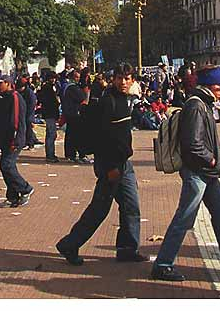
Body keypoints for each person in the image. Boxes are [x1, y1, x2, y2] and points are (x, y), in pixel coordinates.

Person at [150, 65, 220, 282]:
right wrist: (210, 158)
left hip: (206, 172)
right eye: (219, 86)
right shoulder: (196, 106)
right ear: (209, 86)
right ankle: (162, 264)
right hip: (198, 171)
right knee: (185, 217)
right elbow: (192, 142)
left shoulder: (202, 104)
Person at [57, 65, 146, 265]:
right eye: (120, 78)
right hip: (111, 165)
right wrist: (111, 167)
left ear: (132, 80)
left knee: (131, 206)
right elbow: (103, 137)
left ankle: (127, 249)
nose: (123, 82)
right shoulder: (108, 102)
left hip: (124, 164)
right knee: (99, 209)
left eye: (127, 78)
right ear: (113, 79)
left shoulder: (125, 100)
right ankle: (70, 244)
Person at [0, 72, 32, 207]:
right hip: (4, 136)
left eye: (0, 84)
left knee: (6, 165)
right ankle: (12, 196)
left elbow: (16, 121)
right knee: (6, 166)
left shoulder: (15, 97)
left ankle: (25, 188)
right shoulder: (1, 97)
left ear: (8, 83)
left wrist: (15, 140)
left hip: (14, 138)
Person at [61, 74, 88, 163]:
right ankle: (74, 154)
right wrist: (85, 91)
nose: (78, 79)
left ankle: (70, 154)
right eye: (76, 77)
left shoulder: (66, 86)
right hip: (74, 114)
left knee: (70, 134)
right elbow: (82, 98)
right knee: (75, 135)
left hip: (69, 113)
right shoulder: (73, 88)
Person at [38, 70, 61, 163]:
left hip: (50, 113)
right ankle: (50, 154)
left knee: (51, 134)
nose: (54, 80)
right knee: (51, 134)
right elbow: (50, 101)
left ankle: (51, 153)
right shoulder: (47, 88)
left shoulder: (49, 87)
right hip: (50, 113)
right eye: (52, 78)